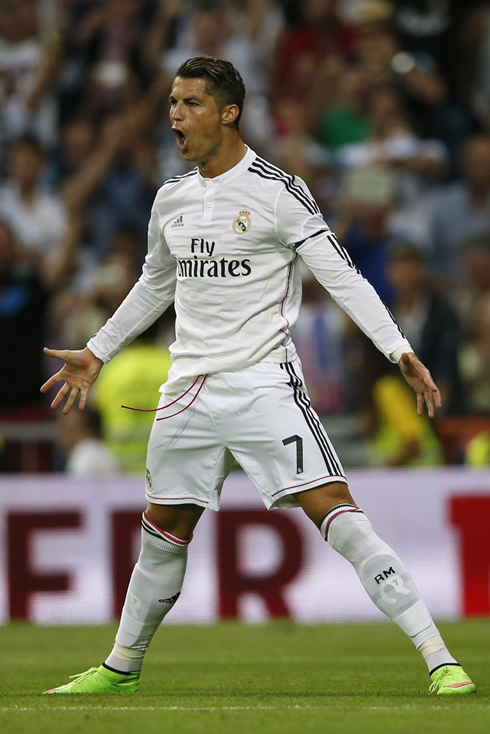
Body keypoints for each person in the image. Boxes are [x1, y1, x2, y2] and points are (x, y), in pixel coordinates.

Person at [40, 56, 475, 697]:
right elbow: (155, 284)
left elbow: (342, 276)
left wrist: (398, 351)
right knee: (163, 532)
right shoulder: (172, 199)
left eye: (189, 103)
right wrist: (98, 349)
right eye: (171, 102)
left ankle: (440, 659)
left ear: (228, 111)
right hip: (187, 389)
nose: (174, 115)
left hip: (263, 383)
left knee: (338, 513)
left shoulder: (278, 191)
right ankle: (120, 668)